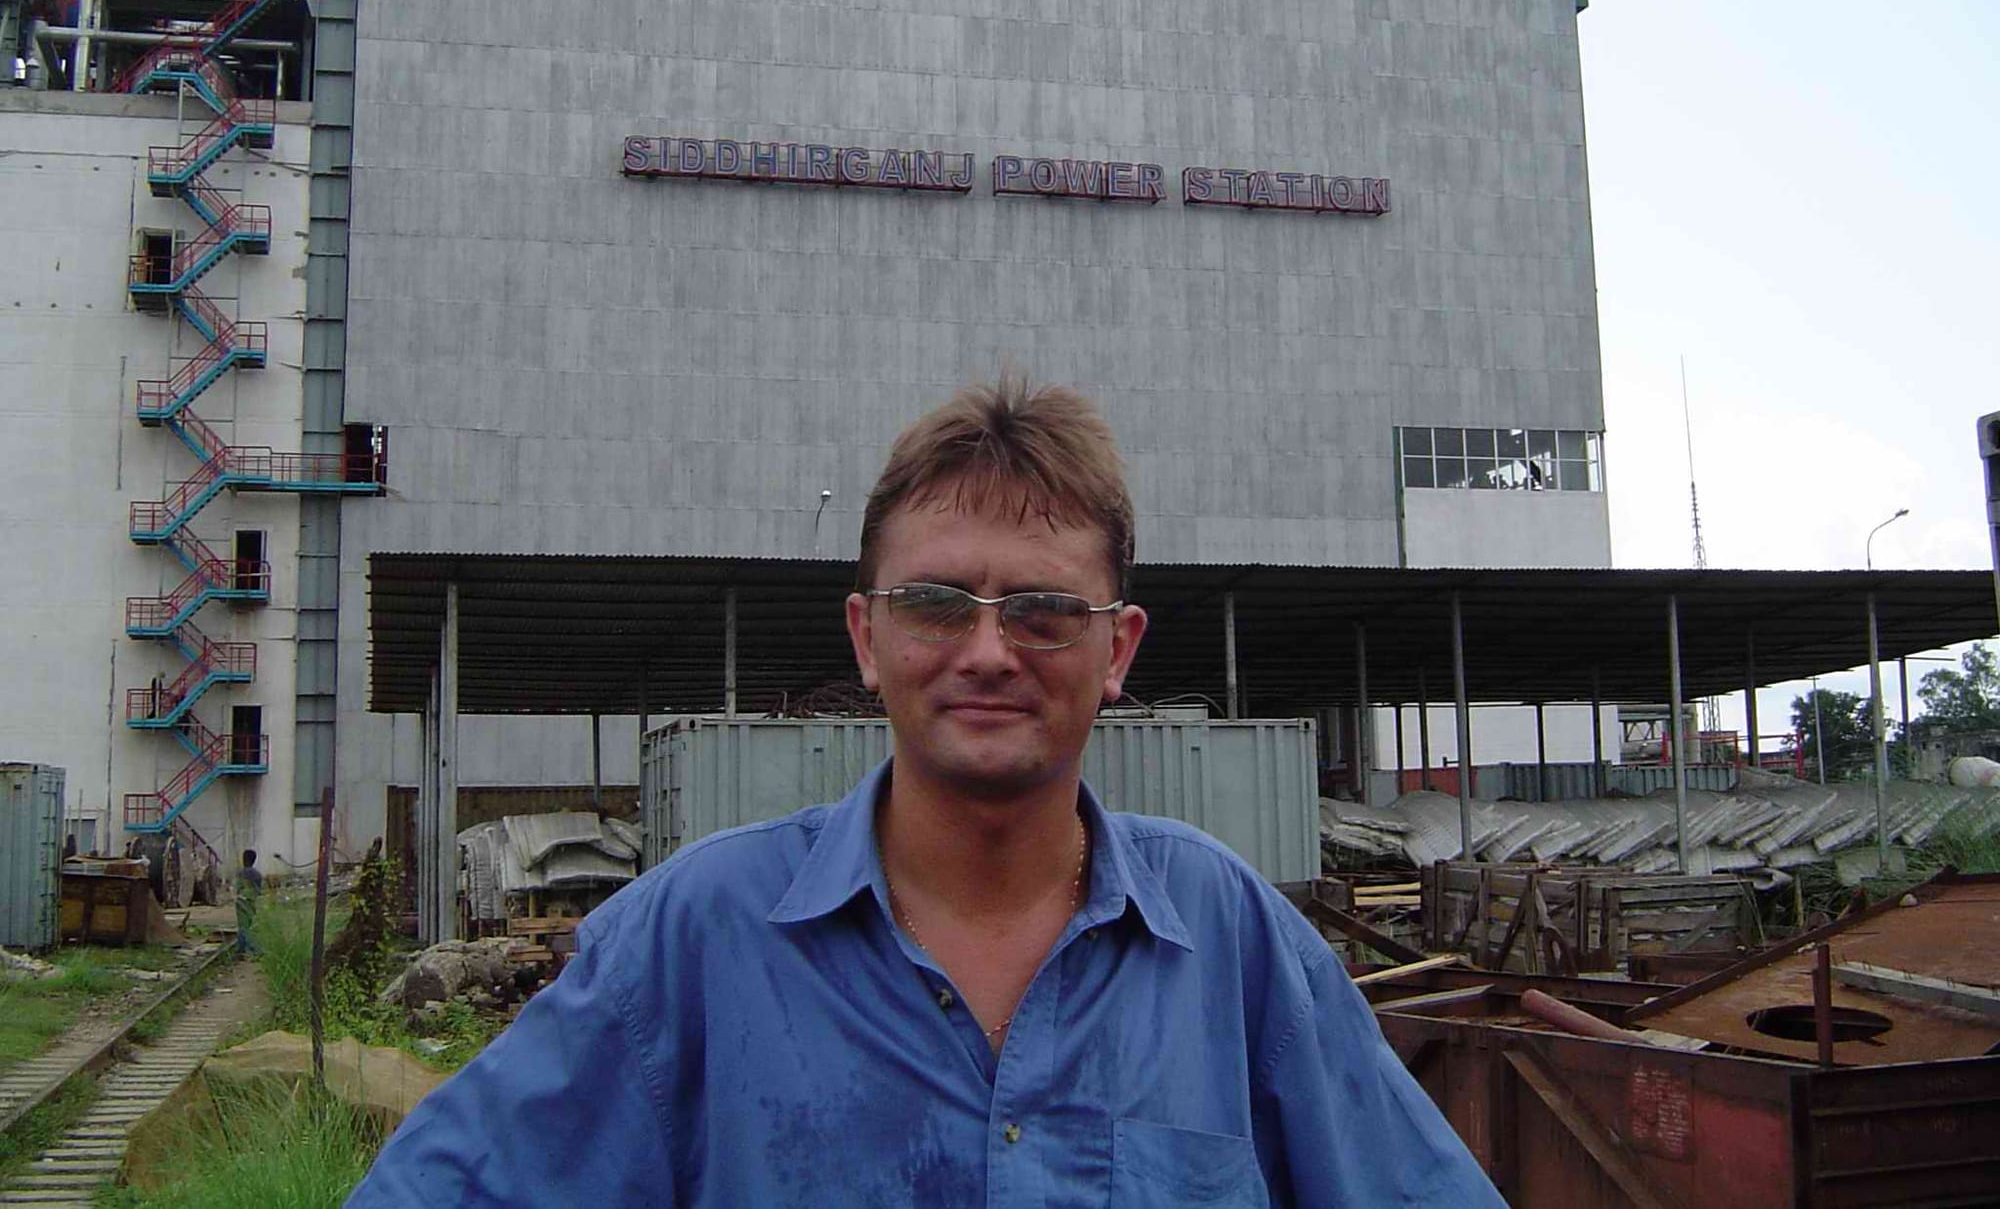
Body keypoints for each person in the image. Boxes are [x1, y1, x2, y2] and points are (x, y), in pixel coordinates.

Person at [350, 378, 1500, 1206]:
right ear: (865, 636)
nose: (988, 654)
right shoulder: (691, 943)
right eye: (936, 604)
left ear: (1117, 650)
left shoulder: (1233, 945)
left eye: (1045, 611)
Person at [235, 848, 262, 955]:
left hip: (241, 901)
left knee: (242, 926)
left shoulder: (240, 873)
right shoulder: (257, 874)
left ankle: (245, 948)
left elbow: (237, 887)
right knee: (249, 924)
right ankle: (245, 948)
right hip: (251, 901)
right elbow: (258, 890)